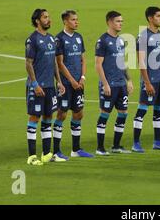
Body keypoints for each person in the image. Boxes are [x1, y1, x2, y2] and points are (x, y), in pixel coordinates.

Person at [25, 9, 65, 165]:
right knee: (34, 118)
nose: (49, 20)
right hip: (37, 87)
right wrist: (34, 84)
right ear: (37, 21)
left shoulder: (51, 39)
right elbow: (28, 63)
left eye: (49, 17)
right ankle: (32, 156)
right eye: (45, 17)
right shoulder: (32, 40)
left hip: (49, 87)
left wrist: (59, 81)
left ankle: (47, 154)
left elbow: (54, 62)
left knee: (48, 118)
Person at [132, 6, 160, 152]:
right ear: (150, 18)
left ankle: (157, 142)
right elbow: (141, 61)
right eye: (158, 16)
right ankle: (136, 143)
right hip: (149, 81)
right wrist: (147, 82)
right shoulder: (143, 36)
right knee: (142, 111)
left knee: (159, 110)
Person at [55, 10, 93, 159]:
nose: (76, 22)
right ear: (65, 21)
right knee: (62, 114)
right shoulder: (59, 39)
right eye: (73, 20)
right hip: (65, 84)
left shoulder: (78, 37)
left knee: (78, 113)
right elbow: (59, 63)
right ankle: (56, 150)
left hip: (79, 83)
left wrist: (82, 78)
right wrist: (71, 80)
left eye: (77, 19)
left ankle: (76, 149)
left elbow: (83, 60)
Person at [95, 11, 134, 155]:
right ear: (110, 22)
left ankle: (116, 145)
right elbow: (98, 64)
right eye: (118, 21)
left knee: (123, 113)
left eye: (121, 21)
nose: (120, 24)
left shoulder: (120, 40)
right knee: (104, 114)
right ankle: (100, 148)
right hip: (109, 84)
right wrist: (105, 83)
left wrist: (128, 80)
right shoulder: (102, 41)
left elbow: (121, 62)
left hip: (120, 84)